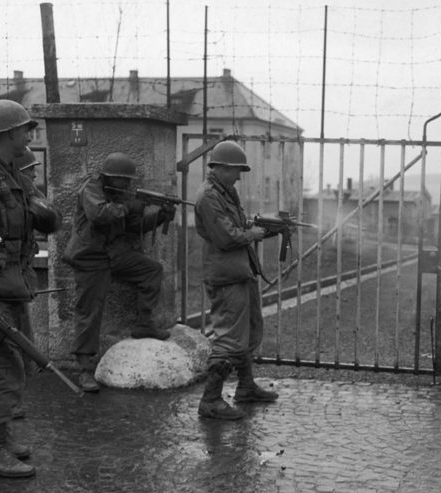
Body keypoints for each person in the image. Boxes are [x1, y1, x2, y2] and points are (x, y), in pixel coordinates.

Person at [0, 99, 62, 478]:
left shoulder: (12, 175)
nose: (30, 134)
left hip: (9, 286)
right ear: (7, 133)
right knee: (3, 371)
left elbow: (48, 220)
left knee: (15, 366)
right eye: (25, 128)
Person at [62, 152, 175, 393]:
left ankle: (145, 323)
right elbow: (100, 215)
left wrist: (159, 216)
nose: (129, 185)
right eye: (125, 180)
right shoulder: (91, 189)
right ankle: (84, 369)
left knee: (151, 271)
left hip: (113, 254)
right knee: (89, 312)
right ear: (109, 177)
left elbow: (133, 228)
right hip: (90, 257)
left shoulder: (119, 196)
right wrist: (130, 205)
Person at [194, 140, 279, 420]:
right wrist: (251, 235)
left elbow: (237, 226)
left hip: (240, 270)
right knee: (229, 337)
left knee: (250, 329)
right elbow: (226, 237)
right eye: (236, 170)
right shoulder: (209, 196)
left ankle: (245, 387)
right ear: (220, 168)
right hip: (226, 275)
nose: (240, 176)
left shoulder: (226, 192)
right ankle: (210, 400)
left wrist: (262, 228)